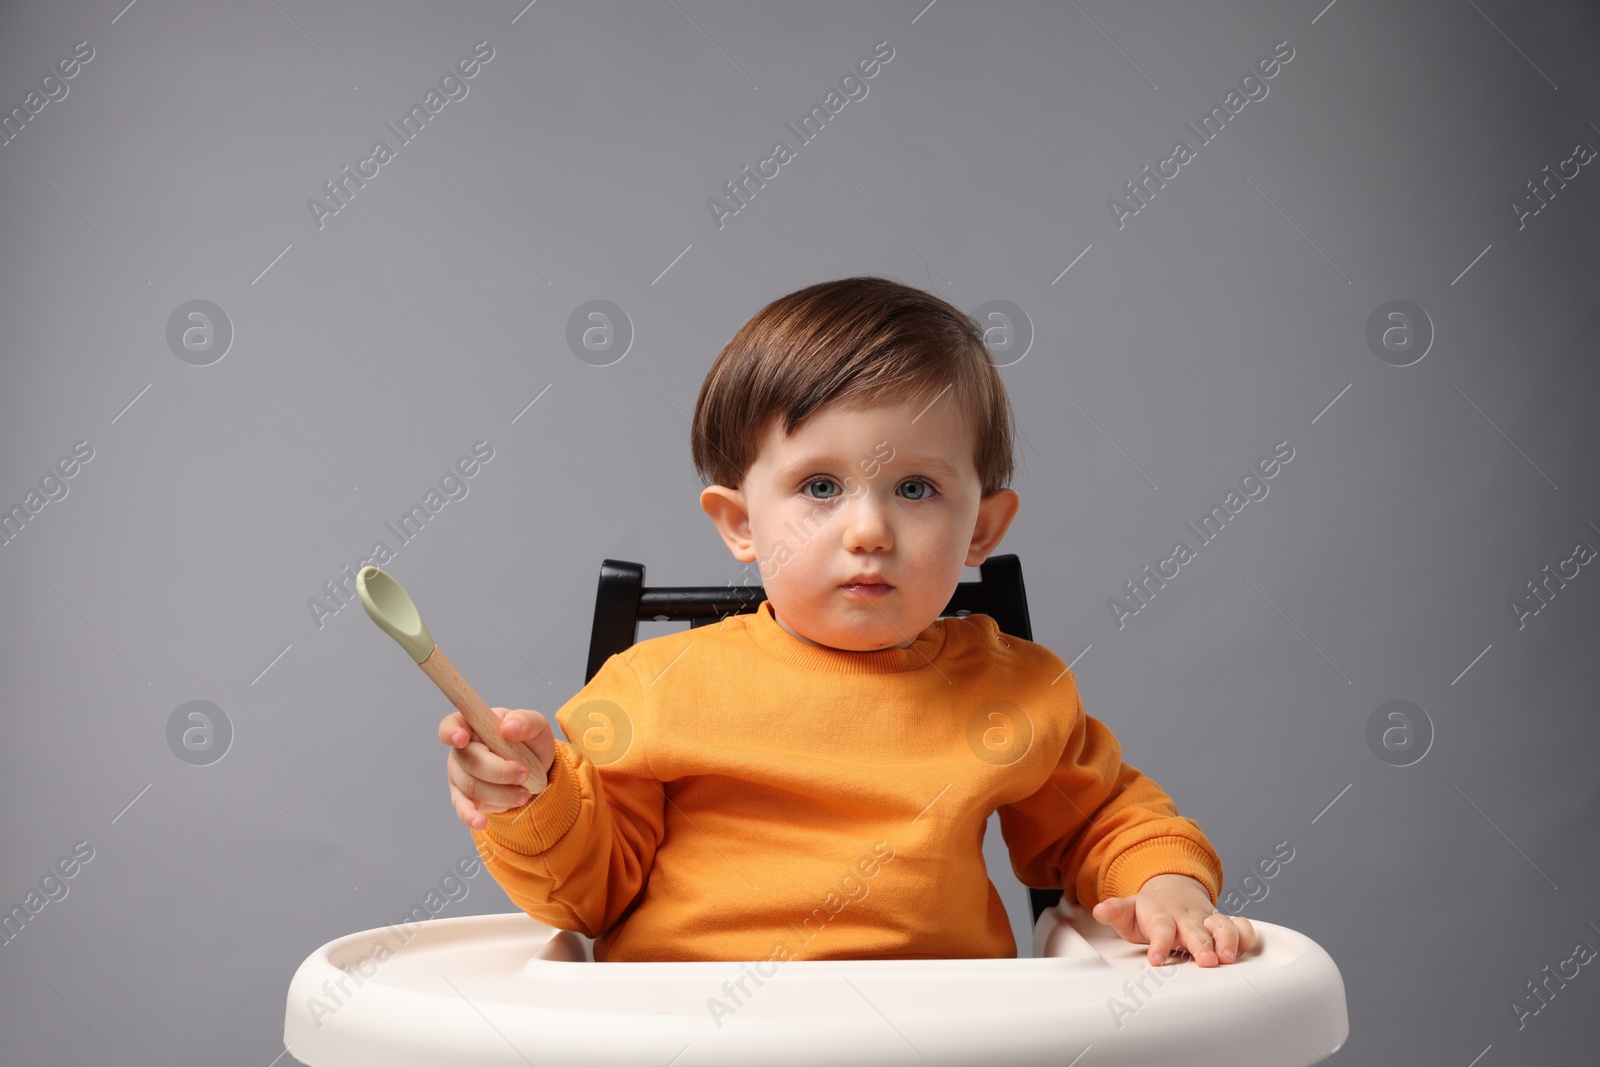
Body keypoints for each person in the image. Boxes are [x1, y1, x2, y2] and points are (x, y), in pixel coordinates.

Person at [439, 276, 1256, 967]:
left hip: (940, 1038)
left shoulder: (1015, 690)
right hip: (693, 1035)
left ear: (982, 529)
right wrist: (531, 800)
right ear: (740, 523)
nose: (869, 530)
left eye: (915, 488)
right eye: (820, 487)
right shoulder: (654, 689)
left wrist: (1164, 882)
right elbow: (585, 894)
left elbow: (1106, 821)